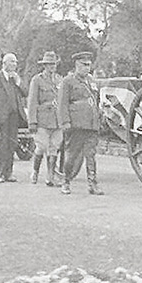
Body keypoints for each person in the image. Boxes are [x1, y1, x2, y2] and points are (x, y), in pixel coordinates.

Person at [57, 51, 103, 195]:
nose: (87, 68)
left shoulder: (92, 81)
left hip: (91, 124)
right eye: (84, 65)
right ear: (77, 65)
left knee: (91, 155)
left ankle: (92, 184)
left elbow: (97, 101)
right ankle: (66, 181)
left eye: (89, 65)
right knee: (71, 155)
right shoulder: (68, 81)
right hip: (76, 124)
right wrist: (65, 122)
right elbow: (62, 104)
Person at [0, 53, 27, 183]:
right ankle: (0, 173)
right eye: (12, 62)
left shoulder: (15, 79)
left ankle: (9, 173)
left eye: (15, 62)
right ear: (5, 63)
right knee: (2, 145)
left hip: (15, 117)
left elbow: (25, 93)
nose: (15, 64)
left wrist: (19, 82)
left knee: (12, 145)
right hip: (1, 117)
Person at [27, 51, 63, 186]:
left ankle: (50, 176)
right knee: (42, 147)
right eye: (49, 64)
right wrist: (32, 122)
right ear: (44, 65)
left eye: (54, 64)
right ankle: (35, 171)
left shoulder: (60, 80)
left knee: (54, 148)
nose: (52, 66)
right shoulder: (37, 80)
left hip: (57, 120)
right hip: (42, 120)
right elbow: (32, 102)